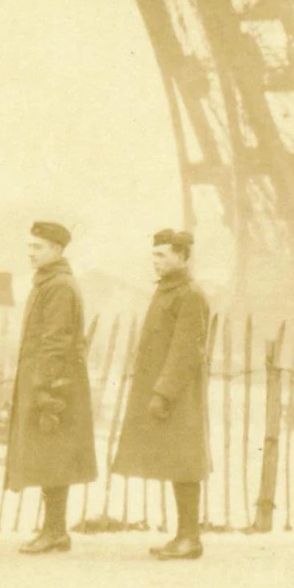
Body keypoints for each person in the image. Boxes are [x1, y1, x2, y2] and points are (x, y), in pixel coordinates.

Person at [112, 228, 211, 561]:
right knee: (175, 461)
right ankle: (183, 535)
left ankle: (190, 538)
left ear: (182, 257)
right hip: (164, 392)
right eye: (154, 255)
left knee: (184, 463)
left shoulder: (189, 295)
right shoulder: (168, 291)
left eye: (163, 255)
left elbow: (185, 351)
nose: (156, 261)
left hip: (178, 395)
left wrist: (164, 394)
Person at [5, 220, 96, 555]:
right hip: (49, 380)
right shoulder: (48, 282)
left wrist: (45, 391)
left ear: (57, 250)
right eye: (29, 247)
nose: (30, 253)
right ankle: (54, 529)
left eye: (37, 248)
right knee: (49, 454)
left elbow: (55, 342)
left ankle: (55, 531)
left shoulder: (58, 286)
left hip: (55, 384)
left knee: (52, 453)